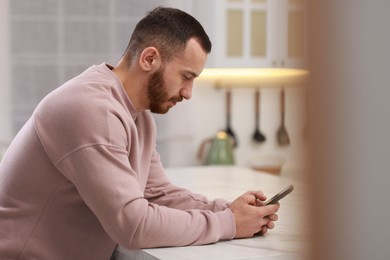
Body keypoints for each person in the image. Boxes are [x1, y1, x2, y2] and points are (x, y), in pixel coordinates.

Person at [0, 7, 280, 259]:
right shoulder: (90, 108)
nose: (188, 93)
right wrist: (229, 223)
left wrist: (225, 209)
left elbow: (157, 193)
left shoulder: (138, 116)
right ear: (149, 59)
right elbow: (132, 225)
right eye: (186, 76)